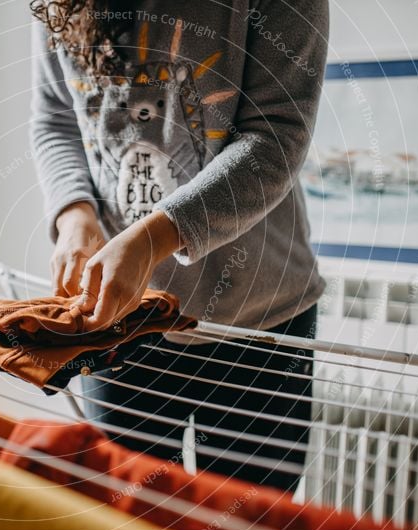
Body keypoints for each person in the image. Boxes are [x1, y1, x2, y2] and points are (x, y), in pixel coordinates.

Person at [29, 0, 328, 492]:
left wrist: (152, 239)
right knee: (129, 527)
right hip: (120, 324)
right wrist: (74, 214)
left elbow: (278, 133)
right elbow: (56, 118)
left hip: (259, 322)